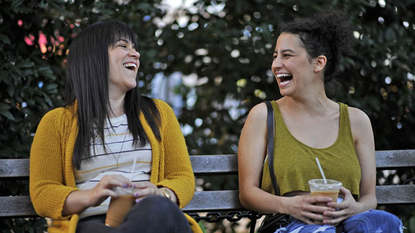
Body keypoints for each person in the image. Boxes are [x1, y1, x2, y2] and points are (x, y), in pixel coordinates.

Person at [238, 10, 404, 233]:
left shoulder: (357, 121)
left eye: (286, 55)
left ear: (318, 63)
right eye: (275, 56)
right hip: (288, 224)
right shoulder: (263, 116)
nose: (276, 64)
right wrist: (289, 205)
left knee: (386, 223)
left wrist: (355, 207)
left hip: (347, 224)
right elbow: (247, 193)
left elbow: (368, 197)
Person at [30, 20, 202, 233]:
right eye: (123, 46)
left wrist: (161, 194)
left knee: (157, 208)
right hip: (91, 224)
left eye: (134, 48)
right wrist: (91, 195)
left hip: (154, 218)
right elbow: (43, 193)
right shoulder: (56, 122)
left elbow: (182, 178)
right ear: (93, 57)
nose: (136, 54)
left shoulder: (159, 113)